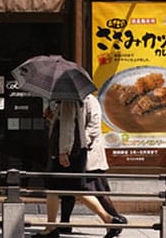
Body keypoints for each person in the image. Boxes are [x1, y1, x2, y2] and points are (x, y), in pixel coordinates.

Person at [32, 99, 118, 238]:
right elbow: (66, 124)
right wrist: (52, 118)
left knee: (69, 189)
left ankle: (109, 220)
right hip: (73, 151)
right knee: (64, 189)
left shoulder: (69, 100)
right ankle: (51, 227)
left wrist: (63, 151)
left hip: (69, 152)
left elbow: (68, 126)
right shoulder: (68, 101)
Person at [58, 93, 127, 236]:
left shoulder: (90, 100)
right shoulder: (68, 101)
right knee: (67, 189)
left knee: (96, 190)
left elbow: (94, 127)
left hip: (88, 154)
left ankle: (116, 218)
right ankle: (64, 223)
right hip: (75, 154)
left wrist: (79, 143)